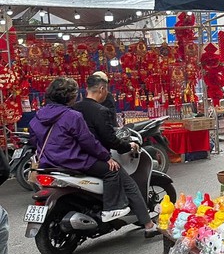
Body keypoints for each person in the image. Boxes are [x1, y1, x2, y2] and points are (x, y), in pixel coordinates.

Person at [30, 77, 130, 226]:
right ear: (70, 97)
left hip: (48, 162)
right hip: (73, 161)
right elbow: (88, 142)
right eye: (75, 93)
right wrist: (106, 157)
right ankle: (112, 208)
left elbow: (33, 140)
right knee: (112, 170)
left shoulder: (38, 116)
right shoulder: (73, 116)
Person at [73, 74, 159, 238]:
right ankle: (148, 225)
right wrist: (128, 146)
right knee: (130, 185)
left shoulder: (74, 109)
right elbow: (110, 139)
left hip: (75, 157)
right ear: (102, 89)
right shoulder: (100, 110)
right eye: (106, 90)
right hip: (96, 157)